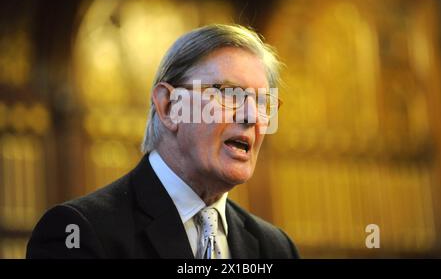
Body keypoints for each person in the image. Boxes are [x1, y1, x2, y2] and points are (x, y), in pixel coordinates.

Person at [26, 24, 299, 259]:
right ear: (169, 107)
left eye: (263, 102)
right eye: (229, 93)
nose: (252, 116)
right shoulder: (79, 233)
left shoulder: (275, 248)